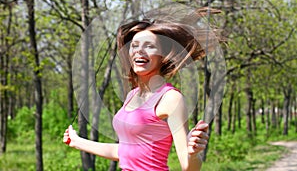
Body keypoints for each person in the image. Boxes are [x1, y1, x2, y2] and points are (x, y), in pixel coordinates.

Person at [63, 18, 211, 171]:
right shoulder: (132, 95)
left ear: (163, 56)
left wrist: (193, 154)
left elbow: (188, 166)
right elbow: (125, 152)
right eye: (134, 46)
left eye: (149, 46)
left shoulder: (171, 99)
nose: (139, 50)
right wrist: (77, 141)